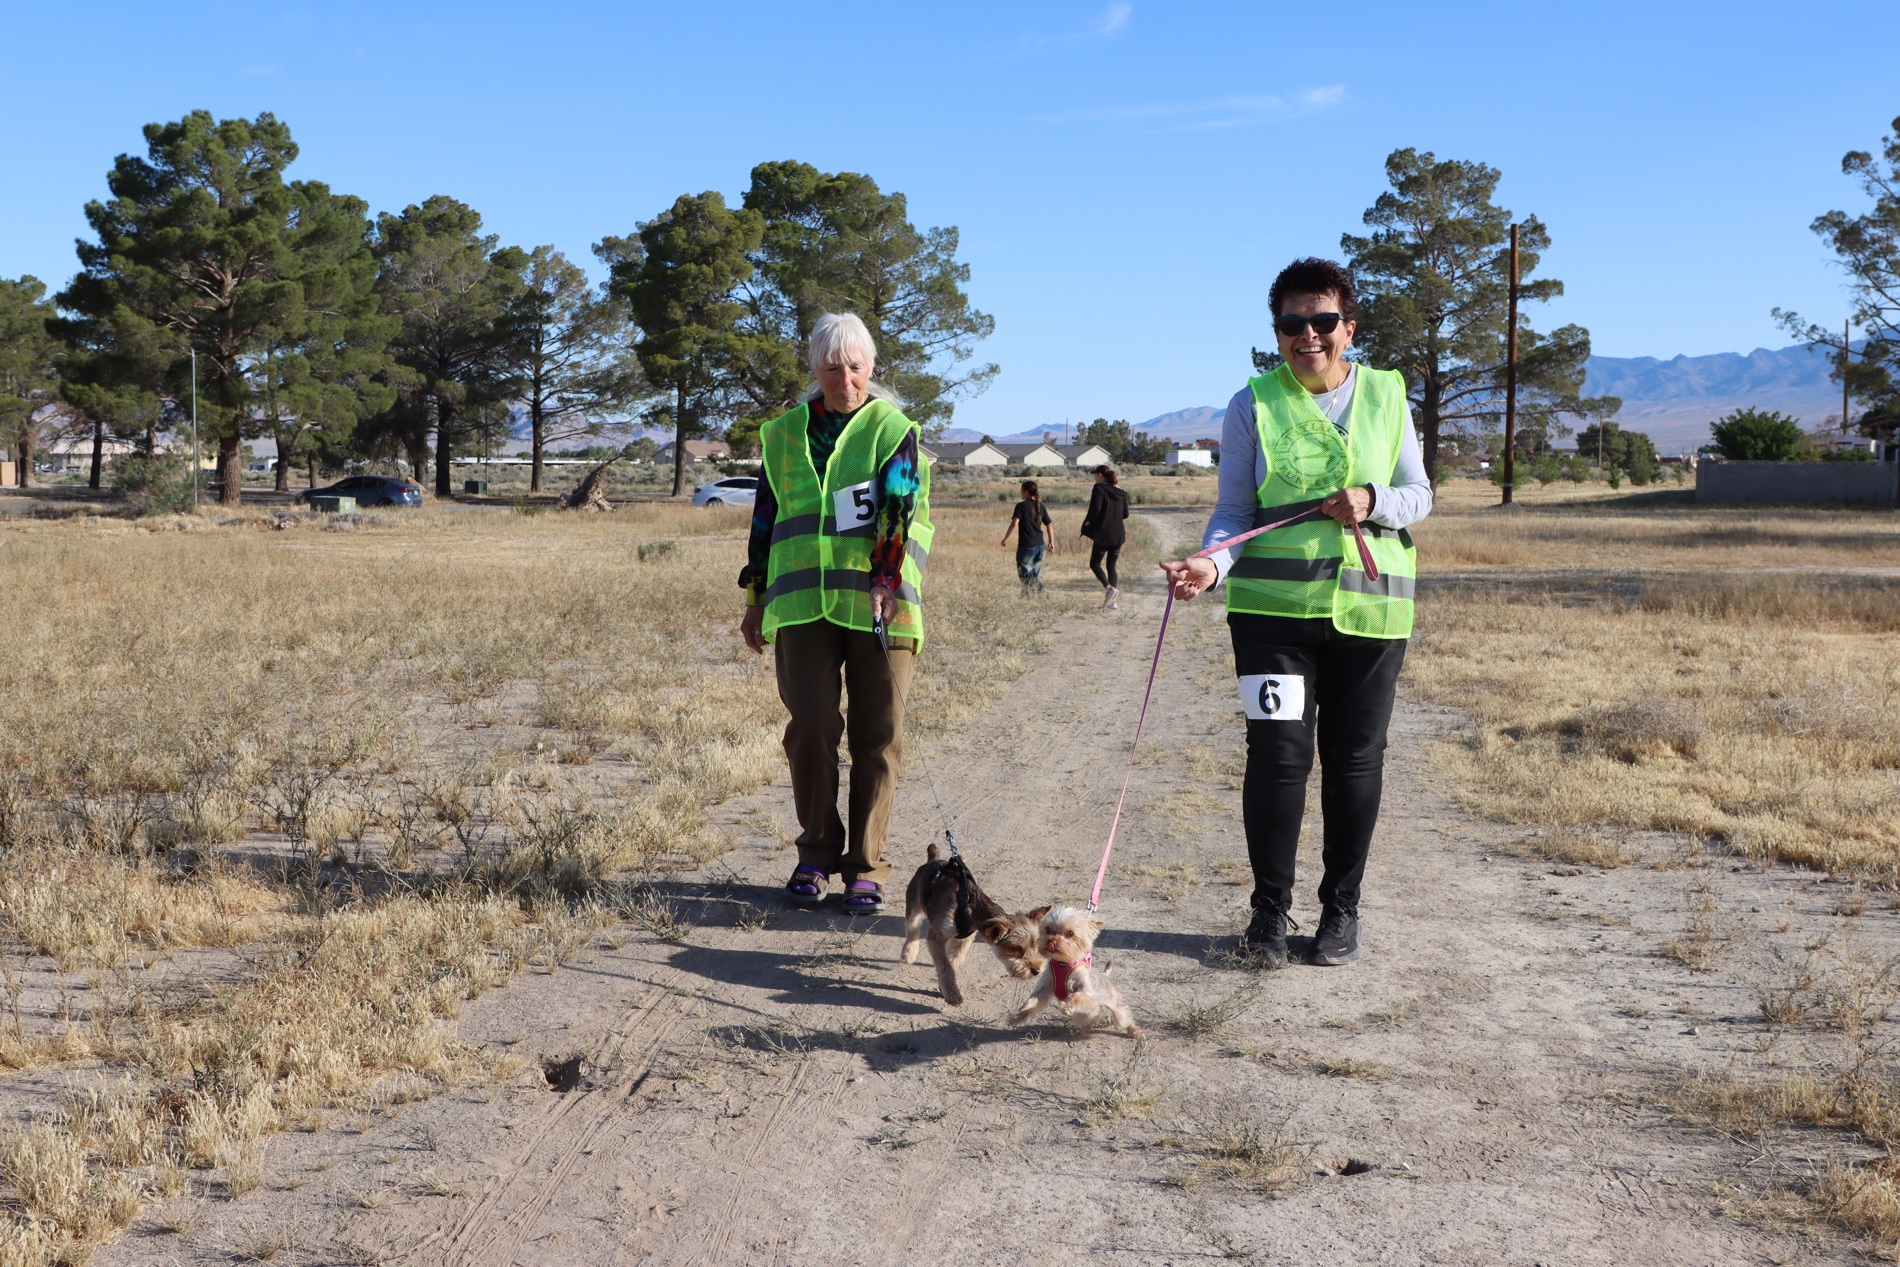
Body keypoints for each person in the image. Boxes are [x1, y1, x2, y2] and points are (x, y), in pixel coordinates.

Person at [1158, 257, 1432, 969]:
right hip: (1271, 621)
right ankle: (1268, 914)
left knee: (1353, 761)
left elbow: (1420, 495)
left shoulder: (1387, 395)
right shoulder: (1251, 403)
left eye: (1322, 321)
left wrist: (1374, 499)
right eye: (1291, 324)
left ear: (1349, 327)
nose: (1307, 335)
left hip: (1372, 616)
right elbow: (1234, 510)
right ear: (1276, 332)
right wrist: (1211, 563)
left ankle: (1341, 909)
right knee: (1278, 758)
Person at [738, 313, 933, 916]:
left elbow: (898, 508)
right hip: (803, 605)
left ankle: (866, 867)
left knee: (879, 734)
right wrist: (755, 597)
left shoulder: (892, 428)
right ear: (814, 369)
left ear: (871, 367)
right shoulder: (781, 435)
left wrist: (885, 580)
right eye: (831, 367)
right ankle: (816, 853)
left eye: (855, 366)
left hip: (881, 606)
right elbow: (766, 519)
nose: (844, 379)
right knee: (812, 727)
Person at [1078, 465, 1129, 609]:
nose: (1094, 477)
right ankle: (1113, 602)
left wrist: (1089, 522)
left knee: (1094, 564)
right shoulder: (1121, 492)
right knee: (1111, 566)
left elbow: (1095, 509)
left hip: (1104, 534)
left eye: (1095, 475)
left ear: (1100, 475)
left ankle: (1108, 588)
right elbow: (1125, 514)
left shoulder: (1099, 488)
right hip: (1118, 534)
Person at [1000, 479, 1053, 593]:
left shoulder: (1021, 506)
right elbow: (1049, 525)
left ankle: (1043, 591)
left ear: (1025, 491)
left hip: (1027, 547)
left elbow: (1014, 523)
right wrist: (1051, 542)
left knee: (1026, 576)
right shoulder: (1041, 506)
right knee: (1032, 576)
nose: (1020, 493)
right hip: (1040, 546)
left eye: (1021, 490)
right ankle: (1026, 597)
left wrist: (1005, 538)